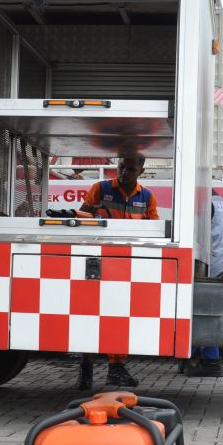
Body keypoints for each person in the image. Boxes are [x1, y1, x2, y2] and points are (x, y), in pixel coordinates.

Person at [75, 153, 159, 389]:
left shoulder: (147, 197)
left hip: (126, 268)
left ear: (140, 172)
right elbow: (81, 218)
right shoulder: (99, 189)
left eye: (130, 168)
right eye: (121, 167)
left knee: (121, 318)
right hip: (97, 264)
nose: (123, 172)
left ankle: (115, 369)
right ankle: (86, 368)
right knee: (90, 316)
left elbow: (153, 229)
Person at [185, 193, 223, 377]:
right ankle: (195, 356)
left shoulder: (205, 204)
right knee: (209, 311)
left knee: (201, 312)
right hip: (222, 263)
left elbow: (196, 236)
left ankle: (211, 360)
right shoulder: (221, 203)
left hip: (208, 263)